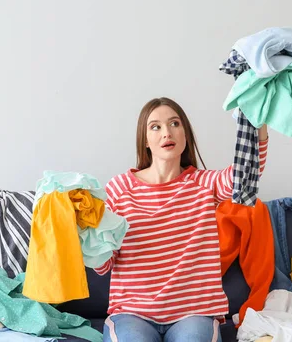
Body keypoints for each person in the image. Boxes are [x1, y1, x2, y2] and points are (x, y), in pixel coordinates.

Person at [95, 97, 268, 342]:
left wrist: (259, 118)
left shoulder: (203, 184)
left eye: (174, 123)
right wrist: (86, 233)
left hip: (195, 313)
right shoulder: (118, 190)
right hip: (132, 313)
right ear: (145, 140)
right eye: (155, 126)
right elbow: (103, 265)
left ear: (185, 134)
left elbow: (247, 174)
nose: (167, 132)